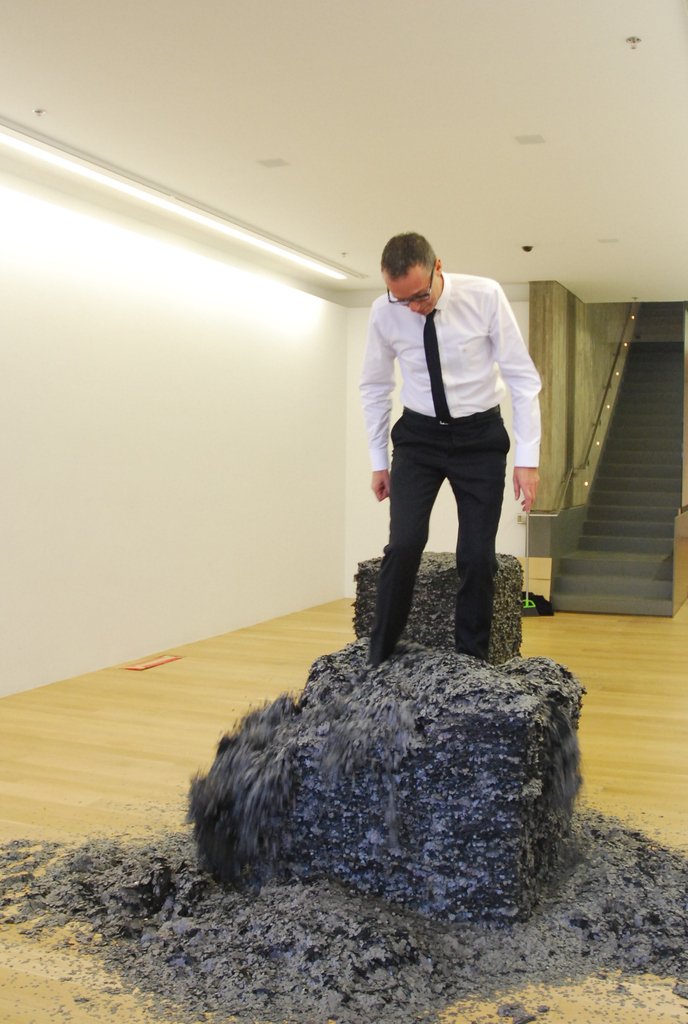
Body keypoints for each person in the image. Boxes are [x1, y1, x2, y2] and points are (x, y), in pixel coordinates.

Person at [360, 232, 541, 666]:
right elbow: (375, 386)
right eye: (401, 298)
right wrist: (378, 461)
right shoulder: (384, 312)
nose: (412, 307)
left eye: (420, 296)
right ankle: (378, 655)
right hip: (419, 437)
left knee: (476, 555)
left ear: (437, 267)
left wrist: (528, 459)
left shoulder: (485, 296)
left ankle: (470, 663)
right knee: (404, 545)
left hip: (480, 439)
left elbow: (522, 378)